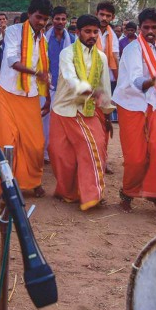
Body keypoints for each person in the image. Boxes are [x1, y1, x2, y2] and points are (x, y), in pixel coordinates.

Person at [112, 8, 156, 212]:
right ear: (140, 28)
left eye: (154, 27)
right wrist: (150, 83)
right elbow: (136, 78)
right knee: (135, 156)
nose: (150, 31)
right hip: (131, 103)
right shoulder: (133, 49)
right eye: (146, 28)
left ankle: (154, 191)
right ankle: (128, 192)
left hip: (154, 103)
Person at [49, 14, 114, 211]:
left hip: (88, 109)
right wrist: (89, 91)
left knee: (93, 147)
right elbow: (70, 79)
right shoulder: (67, 54)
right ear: (78, 32)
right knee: (61, 155)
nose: (92, 35)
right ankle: (68, 193)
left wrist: (107, 113)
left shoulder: (101, 57)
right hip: (63, 107)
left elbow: (104, 87)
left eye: (95, 32)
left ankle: (92, 195)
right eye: (87, 31)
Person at [0, 0, 52, 196]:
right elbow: (12, 61)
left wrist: (48, 98)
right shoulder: (13, 31)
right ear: (30, 14)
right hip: (8, 92)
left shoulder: (43, 39)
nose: (42, 22)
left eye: (45, 19)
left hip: (31, 95)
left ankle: (33, 181)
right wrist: (35, 73)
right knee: (7, 142)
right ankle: (5, 186)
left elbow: (45, 70)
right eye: (39, 17)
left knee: (35, 144)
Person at [43, 5, 75, 161]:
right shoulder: (43, 39)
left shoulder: (73, 40)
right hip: (46, 86)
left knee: (63, 121)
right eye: (57, 19)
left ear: (66, 21)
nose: (60, 22)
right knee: (45, 121)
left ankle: (60, 153)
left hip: (65, 87)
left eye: (63, 19)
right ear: (52, 19)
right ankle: (45, 153)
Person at [95, 1, 120, 81]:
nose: (104, 18)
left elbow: (115, 57)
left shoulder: (112, 35)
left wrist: (118, 80)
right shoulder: (88, 31)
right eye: (102, 14)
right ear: (96, 14)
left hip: (108, 78)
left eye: (108, 16)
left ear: (112, 17)